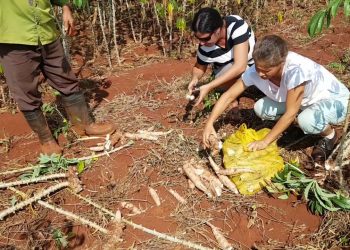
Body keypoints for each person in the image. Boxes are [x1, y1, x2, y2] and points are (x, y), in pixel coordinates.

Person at [203, 35, 349, 164]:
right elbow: (229, 95)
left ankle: (330, 136)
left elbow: (291, 112)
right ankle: (299, 124)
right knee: (260, 108)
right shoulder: (257, 70)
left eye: (266, 71)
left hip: (334, 101)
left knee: (307, 121)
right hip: (302, 102)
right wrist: (210, 124)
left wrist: (265, 141)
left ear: (281, 62)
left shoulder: (295, 72)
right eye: (258, 68)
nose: (260, 74)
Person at [0, 1, 115, 155]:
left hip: (47, 33)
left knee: (66, 79)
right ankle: (46, 139)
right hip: (14, 40)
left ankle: (84, 125)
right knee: (25, 91)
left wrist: (66, 7)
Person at [188, 7, 255, 106]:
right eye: (198, 38)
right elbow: (199, 66)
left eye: (206, 38)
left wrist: (209, 86)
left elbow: (241, 66)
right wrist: (195, 79)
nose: (201, 43)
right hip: (231, 78)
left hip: (255, 67)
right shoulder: (205, 47)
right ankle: (233, 98)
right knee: (226, 70)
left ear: (218, 30)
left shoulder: (235, 25)